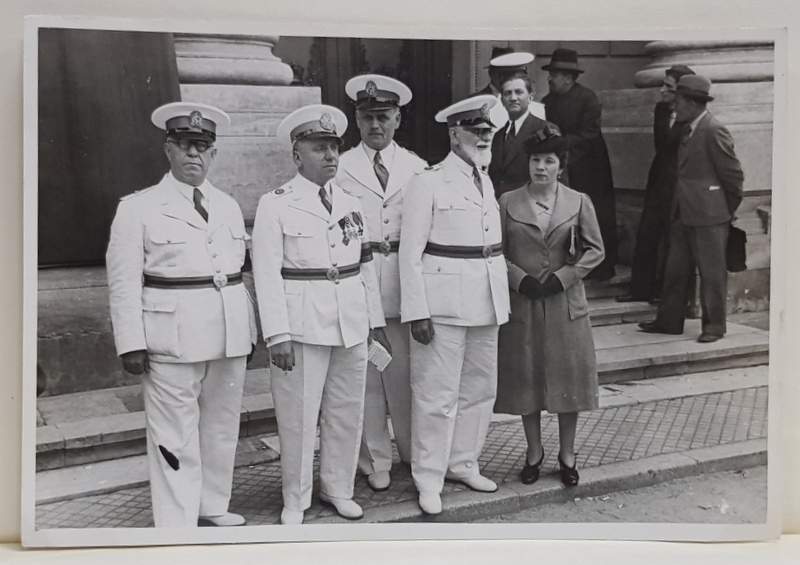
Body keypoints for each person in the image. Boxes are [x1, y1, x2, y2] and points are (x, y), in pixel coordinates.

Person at [106, 102, 257, 528]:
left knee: (222, 426)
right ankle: (177, 522)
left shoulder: (226, 205)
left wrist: (248, 333)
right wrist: (131, 342)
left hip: (227, 334)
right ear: (168, 149)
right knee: (174, 433)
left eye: (203, 146)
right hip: (169, 336)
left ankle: (212, 504)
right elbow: (123, 281)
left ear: (214, 154)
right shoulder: (137, 208)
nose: (194, 154)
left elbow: (235, 274)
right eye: (185, 145)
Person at [251, 104, 390, 525]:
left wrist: (376, 323)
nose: (330, 155)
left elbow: (365, 267)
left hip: (350, 321)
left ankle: (338, 488)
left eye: (333, 146)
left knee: (347, 410)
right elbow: (266, 274)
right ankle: (296, 498)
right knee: (298, 416)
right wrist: (278, 335)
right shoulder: (275, 204)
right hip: (303, 324)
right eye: (318, 147)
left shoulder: (351, 202)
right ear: (297, 155)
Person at [399, 95, 511, 515]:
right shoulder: (427, 181)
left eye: (488, 133)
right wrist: (417, 311)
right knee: (434, 394)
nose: (484, 139)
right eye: (476, 132)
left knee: (480, 389)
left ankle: (462, 461)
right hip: (442, 304)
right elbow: (409, 253)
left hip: (486, 299)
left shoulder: (486, 179)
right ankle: (428, 477)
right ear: (453, 134)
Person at [495, 126, 604, 487]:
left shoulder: (579, 201)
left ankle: (567, 454)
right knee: (527, 379)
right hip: (524, 304)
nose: (541, 167)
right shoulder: (508, 202)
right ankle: (534, 452)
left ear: (561, 164)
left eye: (549, 161)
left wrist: (566, 276)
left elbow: (596, 250)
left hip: (564, 305)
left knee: (568, 381)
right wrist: (518, 279)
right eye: (535, 160)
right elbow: (494, 252)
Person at [336, 74, 428, 492]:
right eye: (369, 117)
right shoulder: (341, 168)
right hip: (360, 279)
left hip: (404, 281)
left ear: (398, 120)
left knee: (407, 374)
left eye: (384, 117)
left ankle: (412, 452)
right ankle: (375, 460)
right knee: (369, 376)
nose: (376, 125)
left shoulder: (416, 167)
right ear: (358, 120)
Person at [638, 75, 744, 343]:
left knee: (711, 273)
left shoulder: (713, 130)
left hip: (709, 215)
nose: (674, 107)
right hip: (683, 212)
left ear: (693, 104)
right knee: (675, 270)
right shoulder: (688, 128)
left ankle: (714, 326)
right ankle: (668, 321)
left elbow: (733, 177)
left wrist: (725, 210)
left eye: (679, 102)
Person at [617, 65, 696, 304]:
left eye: (668, 87)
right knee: (647, 232)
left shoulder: (691, 116)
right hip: (658, 179)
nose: (662, 90)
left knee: (673, 240)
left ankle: (665, 294)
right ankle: (640, 289)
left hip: (678, 184)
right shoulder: (661, 110)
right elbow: (661, 146)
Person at [542, 47, 618, 281]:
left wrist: (558, 141)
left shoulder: (587, 99)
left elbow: (588, 134)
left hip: (591, 167)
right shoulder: (547, 102)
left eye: (555, 74)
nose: (550, 78)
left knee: (593, 215)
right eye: (551, 73)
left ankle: (600, 267)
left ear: (569, 77)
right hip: (561, 167)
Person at [488, 74, 551, 198]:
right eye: (507, 93)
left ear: (530, 97)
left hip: (531, 209)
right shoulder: (498, 136)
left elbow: (557, 180)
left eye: (519, 92)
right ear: (502, 100)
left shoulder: (545, 130)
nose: (513, 98)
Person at [473, 48, 545, 130]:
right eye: (501, 72)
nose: (505, 77)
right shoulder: (477, 100)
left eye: (510, 72)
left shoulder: (527, 101)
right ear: (491, 72)